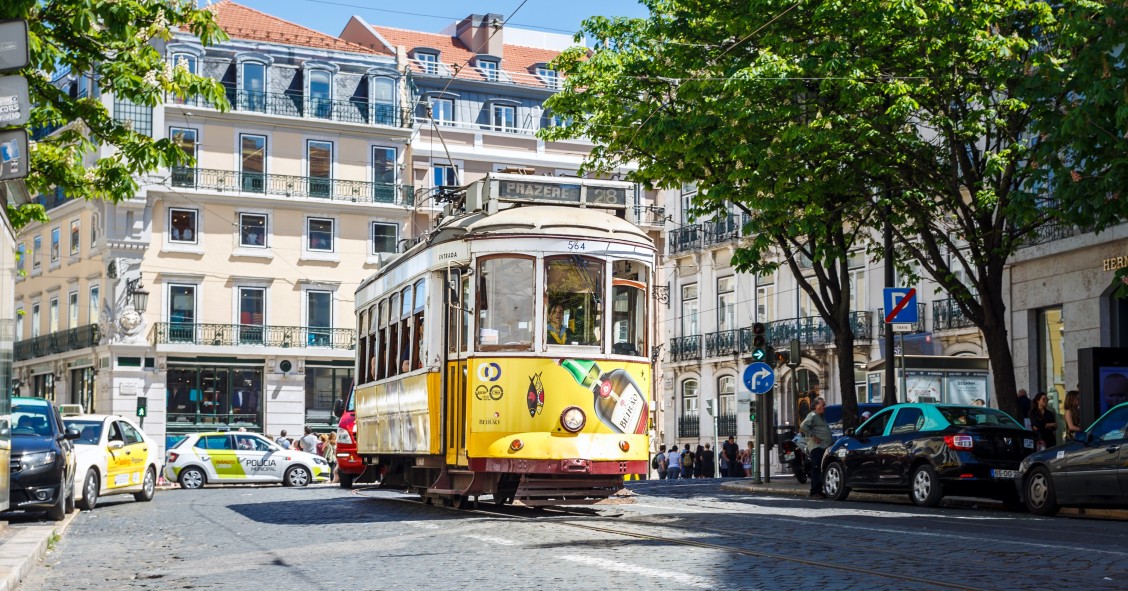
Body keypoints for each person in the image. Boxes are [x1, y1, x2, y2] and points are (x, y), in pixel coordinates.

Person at [799, 397, 832, 499]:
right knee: (816, 468)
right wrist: (813, 436)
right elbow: (803, 426)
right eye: (823, 405)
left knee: (820, 469)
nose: (824, 407)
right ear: (816, 406)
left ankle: (818, 490)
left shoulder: (820, 416)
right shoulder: (812, 415)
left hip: (823, 447)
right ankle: (814, 492)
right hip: (816, 447)